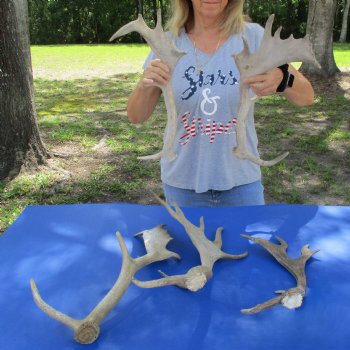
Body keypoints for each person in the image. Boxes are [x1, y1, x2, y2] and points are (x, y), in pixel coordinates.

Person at [127, 0, 315, 207]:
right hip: (183, 182)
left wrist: (282, 78)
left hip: (241, 181)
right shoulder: (167, 43)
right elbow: (136, 116)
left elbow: (306, 97)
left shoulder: (253, 37)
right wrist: (145, 84)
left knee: (244, 240)